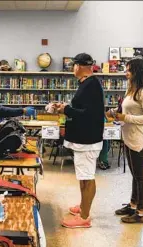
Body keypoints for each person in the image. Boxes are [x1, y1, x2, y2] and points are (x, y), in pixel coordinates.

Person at [54, 53, 105, 228]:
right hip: (83, 139)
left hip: (87, 141)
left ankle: (84, 217)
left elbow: (88, 114)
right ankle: (83, 206)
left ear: (81, 66)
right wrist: (66, 108)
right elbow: (82, 109)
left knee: (87, 177)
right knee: (83, 176)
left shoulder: (91, 85)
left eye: (74, 65)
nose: (73, 68)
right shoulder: (87, 84)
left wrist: (66, 109)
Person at [107, 58, 143, 223]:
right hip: (128, 138)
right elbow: (123, 110)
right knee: (135, 175)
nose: (126, 73)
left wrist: (125, 117)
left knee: (140, 177)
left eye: (129, 70)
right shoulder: (130, 90)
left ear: (137, 72)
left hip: (139, 140)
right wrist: (113, 113)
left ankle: (141, 213)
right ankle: (133, 205)